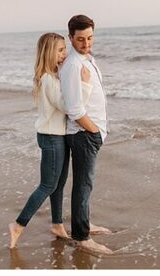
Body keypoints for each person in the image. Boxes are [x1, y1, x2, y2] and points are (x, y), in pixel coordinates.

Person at [8, 33, 92, 249]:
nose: (65, 54)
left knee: (58, 184)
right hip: (52, 137)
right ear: (49, 52)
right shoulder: (47, 79)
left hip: (57, 136)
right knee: (47, 185)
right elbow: (68, 106)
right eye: (61, 50)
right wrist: (84, 85)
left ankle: (57, 225)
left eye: (65, 49)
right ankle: (18, 224)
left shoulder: (53, 76)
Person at [60, 14, 112, 255]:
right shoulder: (73, 65)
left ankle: (85, 224)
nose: (86, 43)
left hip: (89, 134)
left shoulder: (86, 59)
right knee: (83, 184)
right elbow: (74, 109)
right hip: (84, 134)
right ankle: (81, 237)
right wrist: (94, 131)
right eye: (80, 39)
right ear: (71, 38)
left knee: (85, 184)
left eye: (90, 37)